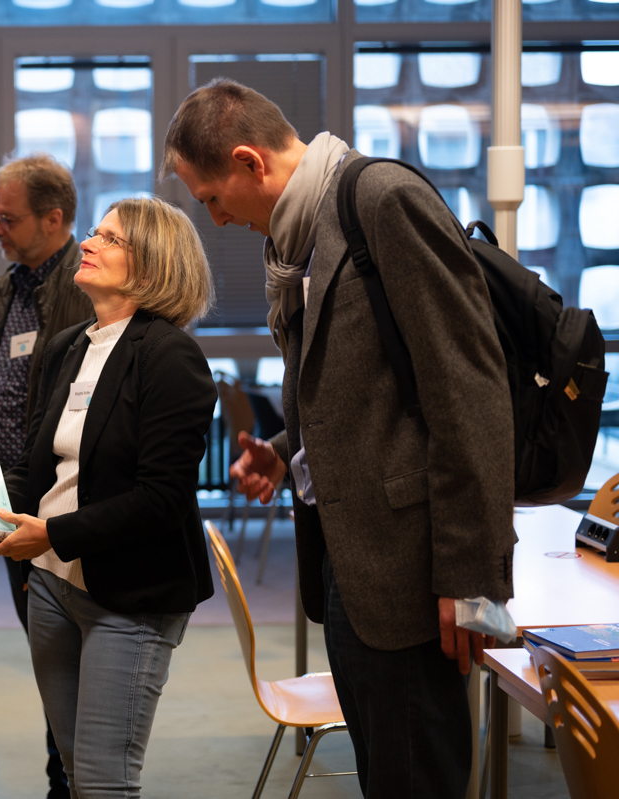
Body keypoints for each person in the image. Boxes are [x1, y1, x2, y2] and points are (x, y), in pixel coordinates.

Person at [161, 79, 515, 797]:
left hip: (415, 573)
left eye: (211, 198)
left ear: (249, 162)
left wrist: (470, 579)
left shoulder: (380, 200)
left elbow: (468, 386)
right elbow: (364, 388)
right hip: (349, 564)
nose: (218, 220)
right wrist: (288, 445)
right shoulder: (301, 239)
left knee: (418, 776)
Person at [0, 196, 217, 798]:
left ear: (152, 263)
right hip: (51, 586)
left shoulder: (171, 358)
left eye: (108, 239)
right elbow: (39, 478)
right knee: (79, 774)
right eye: (93, 233)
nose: (87, 244)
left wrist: (52, 535)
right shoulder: (68, 347)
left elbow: (161, 500)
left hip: (130, 594)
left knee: (106, 783)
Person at [0, 153, 93, 798]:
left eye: (7, 218)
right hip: (4, 500)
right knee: (46, 652)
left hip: (48, 507)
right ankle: (63, 777)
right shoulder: (16, 283)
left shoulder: (79, 292)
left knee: (66, 658)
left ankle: (66, 783)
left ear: (54, 218)